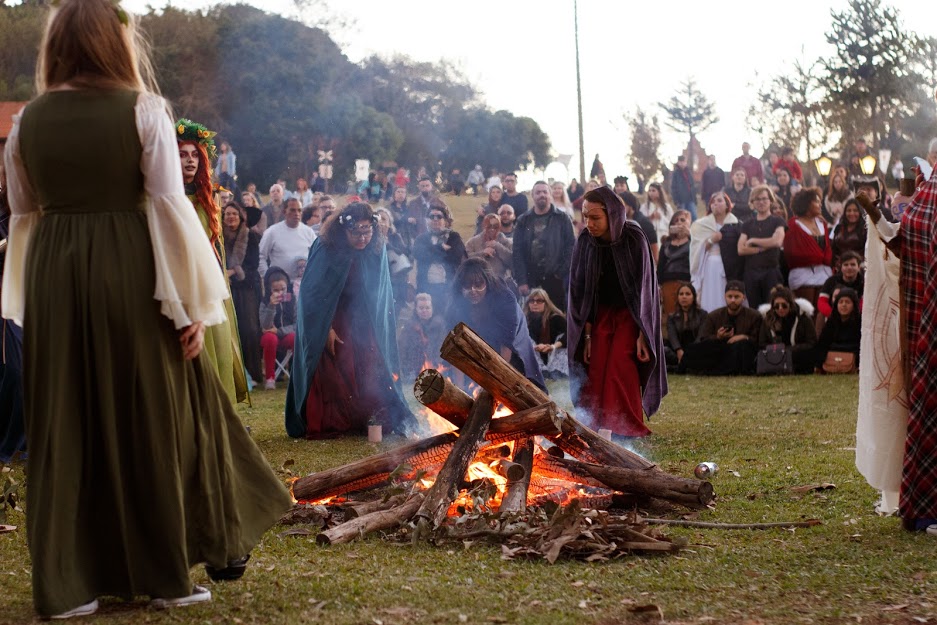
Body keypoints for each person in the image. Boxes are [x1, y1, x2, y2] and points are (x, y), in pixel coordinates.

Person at [1, 0, 291, 616]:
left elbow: (25, 213)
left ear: (57, 46)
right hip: (132, 269)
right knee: (151, 413)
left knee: (65, 415)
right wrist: (188, 307)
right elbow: (167, 209)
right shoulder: (145, 112)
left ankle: (65, 585)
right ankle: (164, 577)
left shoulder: (27, 123)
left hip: (55, 269)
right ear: (116, 44)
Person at [286, 202, 417, 439]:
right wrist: (325, 328)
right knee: (338, 362)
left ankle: (370, 417)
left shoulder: (376, 248)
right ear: (343, 229)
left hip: (364, 317)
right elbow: (312, 293)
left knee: (370, 362)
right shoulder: (326, 247)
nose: (363, 238)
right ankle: (335, 420)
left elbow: (381, 291)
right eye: (356, 232)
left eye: (367, 231)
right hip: (332, 315)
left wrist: (378, 325)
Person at [859, 181, 937, 533]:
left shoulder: (926, 196)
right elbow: (907, 245)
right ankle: (927, 510)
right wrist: (880, 220)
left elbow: (906, 242)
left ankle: (926, 509)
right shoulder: (927, 196)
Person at [568, 186, 666, 439]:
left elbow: (645, 289)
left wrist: (644, 334)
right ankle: (594, 422)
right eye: (585, 216)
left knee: (621, 365)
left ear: (611, 214)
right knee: (598, 365)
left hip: (631, 315)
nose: (588, 223)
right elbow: (582, 291)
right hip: (600, 314)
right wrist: (587, 334)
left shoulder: (634, 236)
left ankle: (625, 424)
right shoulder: (585, 241)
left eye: (595, 217)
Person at [177, 118, 248, 404]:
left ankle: (222, 417)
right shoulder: (161, 199)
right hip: (178, 286)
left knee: (218, 346)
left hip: (208, 286)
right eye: (182, 154)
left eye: (195, 154)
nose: (190, 160)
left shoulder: (210, 198)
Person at [446, 258, 545, 390]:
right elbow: (457, 350)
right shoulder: (455, 306)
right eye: (467, 285)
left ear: (487, 282)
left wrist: (492, 386)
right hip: (478, 339)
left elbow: (506, 346)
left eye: (478, 285)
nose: (473, 290)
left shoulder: (504, 298)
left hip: (513, 340)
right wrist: (458, 389)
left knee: (522, 379)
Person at [513, 181, 576, 309]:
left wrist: (561, 273)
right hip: (531, 280)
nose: (542, 195)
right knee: (532, 319)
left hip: (555, 280)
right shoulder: (523, 220)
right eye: (538, 192)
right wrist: (522, 280)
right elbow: (517, 252)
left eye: (544, 192)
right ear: (532, 195)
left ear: (550, 194)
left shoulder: (563, 218)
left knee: (557, 319)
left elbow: (572, 247)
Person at [680, 281, 762, 376]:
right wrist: (718, 337)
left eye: (736, 297)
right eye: (729, 296)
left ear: (743, 297)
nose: (732, 300)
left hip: (740, 351)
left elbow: (758, 341)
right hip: (720, 349)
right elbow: (704, 338)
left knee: (742, 346)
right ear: (725, 297)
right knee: (693, 348)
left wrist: (743, 337)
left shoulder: (754, 316)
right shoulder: (714, 316)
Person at [223, 201, 263, 385]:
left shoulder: (251, 236)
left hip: (246, 288)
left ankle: (253, 374)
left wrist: (232, 272)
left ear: (240, 218)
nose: (230, 217)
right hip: (226, 288)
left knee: (249, 330)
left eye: (234, 214)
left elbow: (252, 265)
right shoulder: (219, 237)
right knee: (230, 330)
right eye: (227, 214)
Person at [412, 203, 466, 318]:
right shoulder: (421, 238)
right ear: (427, 220)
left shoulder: (454, 237)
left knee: (449, 319)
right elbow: (419, 254)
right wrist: (441, 248)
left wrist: (431, 252)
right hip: (426, 287)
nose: (435, 219)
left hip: (449, 287)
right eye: (432, 217)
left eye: (439, 217)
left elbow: (456, 256)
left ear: (446, 220)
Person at [738, 185, 786, 309]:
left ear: (770, 200)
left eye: (764, 199)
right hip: (751, 273)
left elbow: (777, 241)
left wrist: (753, 240)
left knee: (773, 308)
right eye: (757, 199)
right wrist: (760, 249)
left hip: (771, 272)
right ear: (752, 203)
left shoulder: (778, 221)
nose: (761, 202)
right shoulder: (747, 224)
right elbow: (741, 249)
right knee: (755, 310)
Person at [690, 191, 738, 313]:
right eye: (713, 202)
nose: (716, 204)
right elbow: (697, 249)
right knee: (711, 295)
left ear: (727, 204)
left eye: (719, 201)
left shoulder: (735, 223)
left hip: (730, 266)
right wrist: (711, 240)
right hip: (710, 265)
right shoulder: (701, 225)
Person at [785, 187, 832, 309]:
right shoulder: (793, 226)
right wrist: (813, 257)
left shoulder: (822, 224)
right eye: (816, 201)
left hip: (824, 273)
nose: (820, 204)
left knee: (821, 310)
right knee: (806, 312)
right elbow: (791, 253)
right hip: (803, 275)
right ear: (806, 205)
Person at [757, 285, 817, 374]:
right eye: (776, 306)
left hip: (797, 355)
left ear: (790, 304)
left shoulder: (803, 317)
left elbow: (811, 343)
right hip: (775, 356)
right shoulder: (768, 318)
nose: (780, 309)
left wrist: (788, 350)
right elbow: (762, 343)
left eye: (784, 305)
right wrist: (776, 349)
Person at [257, 196, 316, 282]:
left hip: (304, 283)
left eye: (299, 210)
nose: (296, 213)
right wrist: (268, 276)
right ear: (284, 212)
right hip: (280, 285)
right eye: (292, 210)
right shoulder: (272, 232)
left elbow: (317, 255)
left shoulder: (309, 232)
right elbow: (260, 256)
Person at [259, 266, 296, 389]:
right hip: (270, 337)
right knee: (270, 338)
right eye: (276, 290)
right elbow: (265, 326)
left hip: (286, 335)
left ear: (287, 286)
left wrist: (279, 331)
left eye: (283, 289)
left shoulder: (293, 301)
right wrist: (271, 306)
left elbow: (298, 325)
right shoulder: (264, 303)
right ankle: (270, 378)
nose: (280, 293)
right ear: (270, 290)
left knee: (295, 337)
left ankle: (296, 375)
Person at [398, 293, 447, 378]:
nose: (424, 311)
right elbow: (402, 348)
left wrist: (436, 364)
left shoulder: (440, 325)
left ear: (432, 309)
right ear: (416, 309)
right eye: (421, 308)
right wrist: (404, 368)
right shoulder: (409, 326)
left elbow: (442, 346)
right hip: (414, 367)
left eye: (427, 308)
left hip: (435, 364)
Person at [523, 287, 567, 378]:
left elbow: (570, 336)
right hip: (536, 355)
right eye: (532, 301)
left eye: (539, 301)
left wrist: (552, 347)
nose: (535, 303)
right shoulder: (525, 320)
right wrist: (534, 347)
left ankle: (558, 373)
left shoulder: (556, 319)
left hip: (555, 355)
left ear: (546, 303)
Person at [375, 207, 411, 316]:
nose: (380, 222)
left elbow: (404, 254)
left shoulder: (395, 238)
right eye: (378, 219)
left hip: (396, 283)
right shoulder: (368, 239)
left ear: (390, 224)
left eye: (384, 219)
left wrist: (387, 245)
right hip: (378, 284)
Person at [657, 210, 692, 319]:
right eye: (675, 220)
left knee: (686, 317)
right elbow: (660, 266)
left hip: (686, 283)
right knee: (670, 316)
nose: (679, 223)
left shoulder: (693, 240)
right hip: (668, 283)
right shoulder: (666, 242)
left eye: (682, 220)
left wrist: (690, 234)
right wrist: (658, 286)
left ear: (689, 222)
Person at [665, 282, 707, 372]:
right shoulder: (672, 317)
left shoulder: (702, 314)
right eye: (681, 294)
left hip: (696, 350)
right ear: (678, 297)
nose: (684, 297)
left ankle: (682, 366)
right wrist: (679, 350)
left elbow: (701, 336)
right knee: (663, 351)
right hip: (677, 353)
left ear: (693, 297)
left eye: (687, 294)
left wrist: (690, 353)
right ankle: (682, 365)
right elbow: (673, 337)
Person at [816, 287, 861, 370]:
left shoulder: (860, 322)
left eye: (847, 302)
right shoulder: (831, 321)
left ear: (854, 305)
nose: (844, 305)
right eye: (841, 302)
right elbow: (822, 344)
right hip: (831, 360)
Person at [818, 251, 864, 320]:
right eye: (846, 265)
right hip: (833, 316)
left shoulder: (864, 283)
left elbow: (865, 303)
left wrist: (851, 315)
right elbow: (822, 302)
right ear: (841, 267)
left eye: (853, 264)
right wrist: (832, 314)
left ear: (859, 267)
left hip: (856, 317)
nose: (849, 267)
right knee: (820, 315)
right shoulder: (831, 281)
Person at [466, 214, 513, 280]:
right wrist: (482, 253)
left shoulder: (506, 242)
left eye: (496, 226)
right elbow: (465, 260)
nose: (492, 229)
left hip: (502, 281)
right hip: (479, 281)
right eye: (489, 226)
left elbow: (513, 263)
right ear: (484, 226)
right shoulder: (473, 242)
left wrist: (498, 246)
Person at [831, 199, 867, 270]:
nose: (851, 213)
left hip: (859, 269)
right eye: (849, 210)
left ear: (860, 212)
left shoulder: (865, 230)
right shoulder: (839, 228)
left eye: (855, 210)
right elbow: (833, 249)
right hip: (839, 268)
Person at [670, 155, 697, 220]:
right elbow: (673, 188)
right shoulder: (676, 173)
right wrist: (676, 201)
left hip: (690, 199)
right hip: (681, 200)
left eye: (684, 161)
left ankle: (693, 230)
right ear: (678, 162)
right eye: (681, 162)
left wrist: (694, 198)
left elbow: (692, 185)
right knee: (683, 218)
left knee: (693, 217)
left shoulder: (688, 172)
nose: (682, 163)